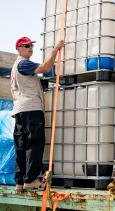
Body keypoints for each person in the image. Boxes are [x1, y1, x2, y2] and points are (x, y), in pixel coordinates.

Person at [10, 37, 64, 191]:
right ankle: (31, 180)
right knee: (35, 142)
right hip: (31, 108)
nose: (30, 48)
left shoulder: (16, 67)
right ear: (19, 49)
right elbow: (46, 68)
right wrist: (55, 50)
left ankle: (20, 182)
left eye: (31, 46)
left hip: (19, 109)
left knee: (21, 145)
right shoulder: (24, 64)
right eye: (26, 46)